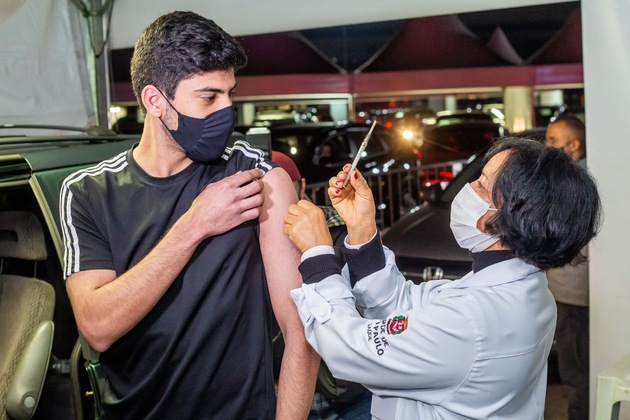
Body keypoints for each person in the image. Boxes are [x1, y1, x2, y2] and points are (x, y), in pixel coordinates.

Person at [59, 11, 318, 419]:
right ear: (155, 101)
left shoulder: (257, 177)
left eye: (231, 93)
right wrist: (194, 225)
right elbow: (97, 327)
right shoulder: (88, 192)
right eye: (209, 97)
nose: (227, 111)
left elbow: (301, 329)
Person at [283, 138, 601, 419]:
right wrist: (363, 228)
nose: (468, 189)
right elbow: (404, 308)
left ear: (513, 218)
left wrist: (317, 253)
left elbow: (349, 349)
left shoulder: (472, 320)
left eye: (482, 185)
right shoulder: (524, 290)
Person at [270, 150, 372, 419]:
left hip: (350, 395)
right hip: (284, 396)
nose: (277, 206)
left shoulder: (341, 228)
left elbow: (372, 300)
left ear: (301, 187)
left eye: (284, 190)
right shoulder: (251, 243)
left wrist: (320, 249)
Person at [545, 114, 589, 420]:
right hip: (575, 290)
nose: (547, 146)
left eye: (552, 141)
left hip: (575, 293)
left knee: (576, 374)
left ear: (574, 145)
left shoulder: (575, 183)